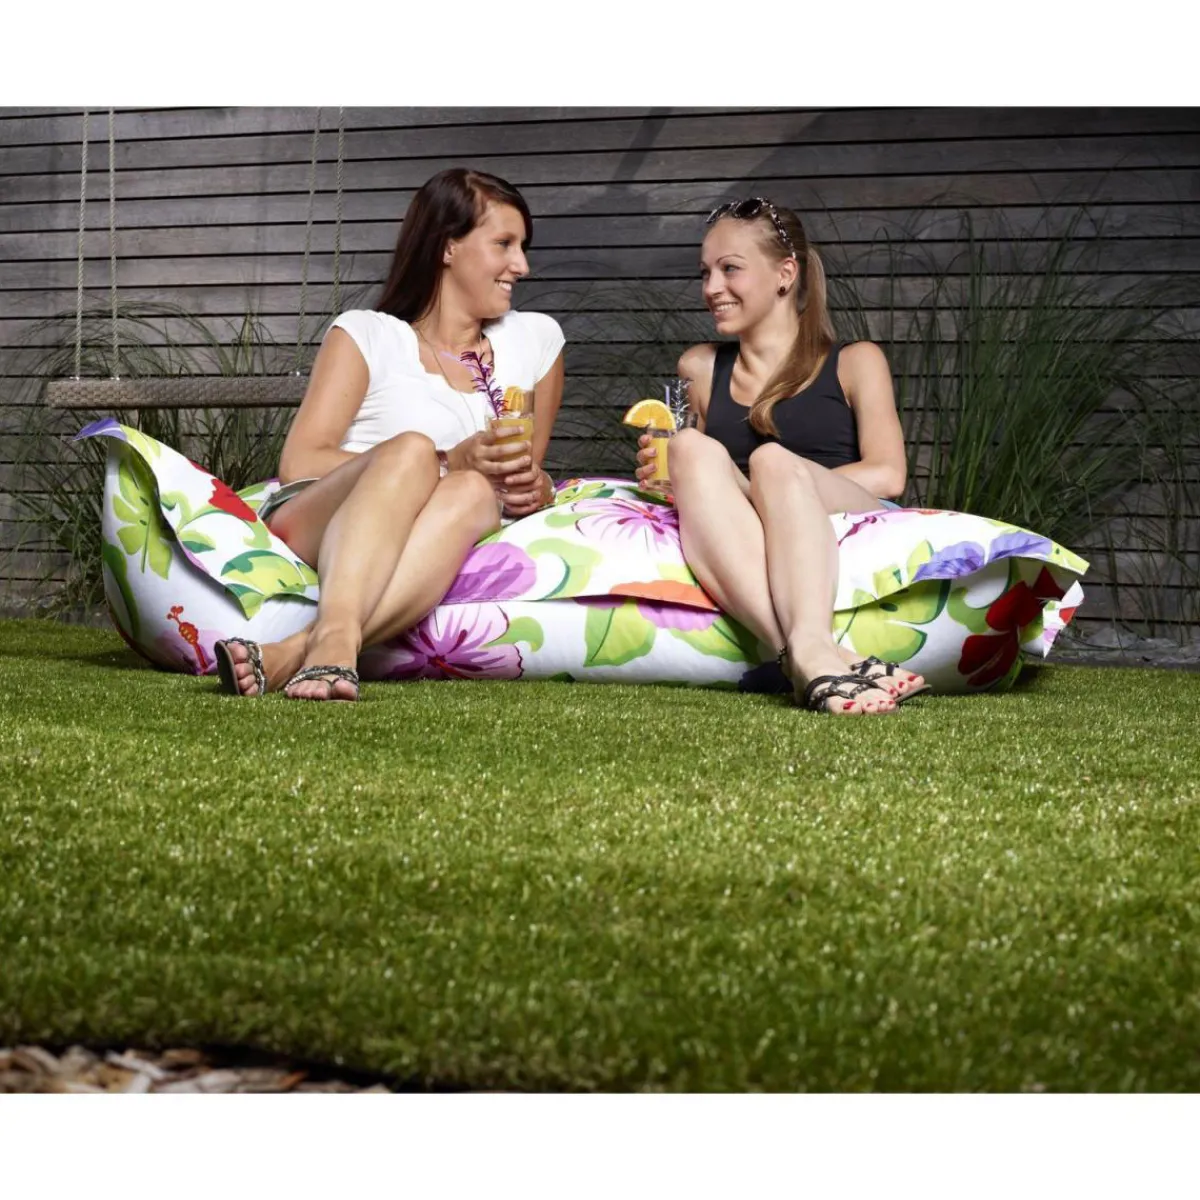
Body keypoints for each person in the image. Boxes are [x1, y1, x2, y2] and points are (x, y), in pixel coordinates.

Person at [215, 168, 565, 702]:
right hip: (323, 514)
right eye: (504, 244)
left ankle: (306, 647)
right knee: (412, 451)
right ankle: (333, 633)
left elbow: (521, 477)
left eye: (523, 247)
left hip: (451, 519)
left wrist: (536, 487)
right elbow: (300, 461)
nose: (522, 265)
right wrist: (446, 460)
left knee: (475, 490)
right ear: (448, 246)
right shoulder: (368, 334)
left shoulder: (535, 340)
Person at [635, 197, 927, 715]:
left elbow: (889, 474)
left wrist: (767, 491)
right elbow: (699, 487)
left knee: (772, 461)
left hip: (841, 505)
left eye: (730, 269)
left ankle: (807, 647)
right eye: (705, 272)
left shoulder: (856, 361)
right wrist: (664, 475)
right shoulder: (700, 367)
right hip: (750, 515)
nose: (711, 288)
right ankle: (812, 655)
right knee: (687, 447)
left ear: (785, 274)